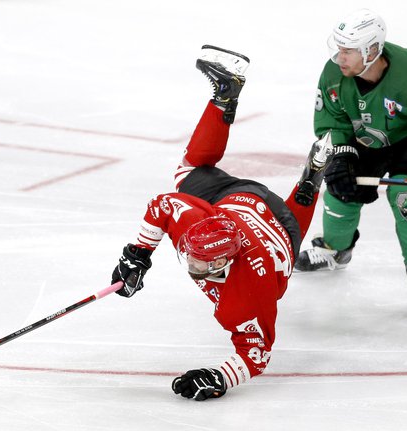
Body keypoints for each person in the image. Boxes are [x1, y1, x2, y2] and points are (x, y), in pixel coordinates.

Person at [110, 45, 332, 401]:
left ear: (224, 262)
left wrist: (219, 377)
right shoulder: (195, 227)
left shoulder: (248, 293)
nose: (191, 264)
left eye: (200, 262)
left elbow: (255, 356)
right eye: (190, 255)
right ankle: (225, 94)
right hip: (236, 202)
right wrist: (137, 255)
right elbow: (161, 206)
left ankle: (309, 184)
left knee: (287, 242)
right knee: (187, 173)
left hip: (274, 224)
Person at [294, 9, 407, 315]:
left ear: (373, 50)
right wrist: (342, 153)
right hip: (367, 137)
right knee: (342, 185)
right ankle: (335, 249)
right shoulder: (334, 74)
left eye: (349, 51)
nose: (340, 58)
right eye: (339, 49)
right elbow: (331, 119)